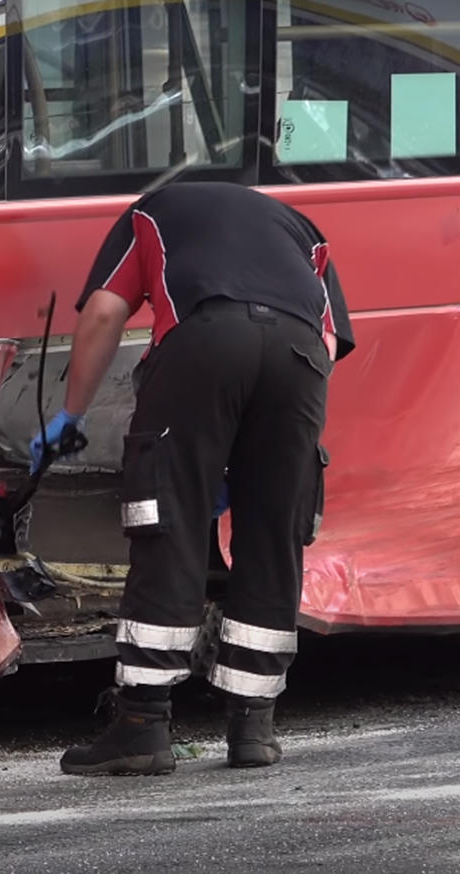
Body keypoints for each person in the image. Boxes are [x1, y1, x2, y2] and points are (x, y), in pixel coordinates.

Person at [30, 180, 355, 775]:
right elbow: (328, 342)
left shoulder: (151, 210)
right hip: (300, 360)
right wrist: (248, 446)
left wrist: (68, 416)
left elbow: (105, 312)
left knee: (168, 521)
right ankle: (253, 728)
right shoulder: (301, 230)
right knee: (273, 528)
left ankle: (141, 727)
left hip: (205, 342)